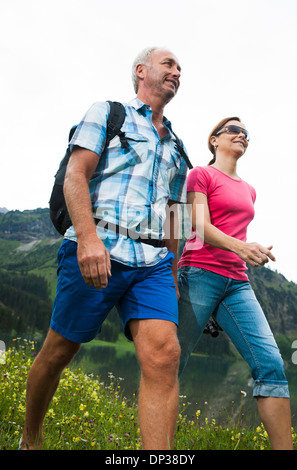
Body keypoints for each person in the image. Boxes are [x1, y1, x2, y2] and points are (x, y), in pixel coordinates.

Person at [20, 47, 188, 450]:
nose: (177, 72)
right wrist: (89, 239)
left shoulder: (178, 147)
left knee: (165, 356)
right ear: (141, 71)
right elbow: (76, 175)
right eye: (169, 64)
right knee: (60, 350)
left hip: (152, 262)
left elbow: (175, 212)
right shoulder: (109, 113)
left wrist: (172, 266)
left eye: (181, 69)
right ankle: (31, 437)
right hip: (99, 244)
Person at [177, 117, 294, 450]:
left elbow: (232, 229)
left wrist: (244, 250)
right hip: (198, 272)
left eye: (246, 133)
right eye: (234, 130)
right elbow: (199, 224)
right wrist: (243, 248)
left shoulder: (249, 189)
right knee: (172, 360)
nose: (242, 135)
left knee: (271, 364)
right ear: (214, 140)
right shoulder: (201, 174)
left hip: (237, 283)